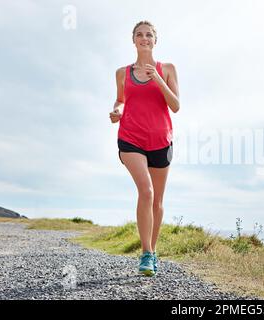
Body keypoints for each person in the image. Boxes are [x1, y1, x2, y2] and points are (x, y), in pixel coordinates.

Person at [109, 20, 180, 276]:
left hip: (161, 140)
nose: (144, 38)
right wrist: (117, 111)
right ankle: (146, 253)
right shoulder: (122, 73)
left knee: (157, 201)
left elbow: (176, 105)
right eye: (139, 34)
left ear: (155, 40)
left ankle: (153, 249)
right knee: (146, 191)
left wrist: (158, 79)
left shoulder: (168, 69)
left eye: (149, 34)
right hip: (131, 138)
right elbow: (120, 100)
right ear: (133, 40)